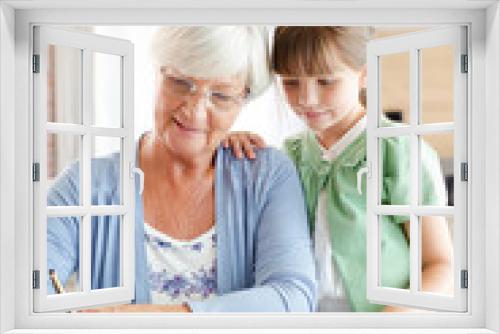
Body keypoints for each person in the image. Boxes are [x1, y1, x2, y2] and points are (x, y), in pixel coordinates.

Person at [46, 26, 316, 313]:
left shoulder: (267, 176)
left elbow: (294, 297)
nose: (194, 111)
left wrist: (142, 318)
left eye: (221, 96)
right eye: (180, 82)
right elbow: (29, 287)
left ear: (243, 99)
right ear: (158, 73)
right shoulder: (84, 184)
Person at [224, 26, 453, 312]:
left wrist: (392, 319)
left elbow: (439, 265)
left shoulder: (399, 149)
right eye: (292, 82)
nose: (307, 99)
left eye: (325, 81)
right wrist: (231, 143)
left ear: (365, 73)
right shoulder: (290, 155)